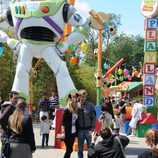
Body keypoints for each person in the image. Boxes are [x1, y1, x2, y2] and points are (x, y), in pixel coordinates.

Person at [78, 89, 96, 158]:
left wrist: (92, 129)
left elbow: (93, 118)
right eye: (82, 97)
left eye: (85, 97)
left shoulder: (90, 105)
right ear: (79, 97)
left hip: (89, 130)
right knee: (80, 150)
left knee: (90, 149)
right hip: (80, 131)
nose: (84, 98)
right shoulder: (76, 105)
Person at [61, 93, 79, 158]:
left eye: (75, 102)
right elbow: (62, 122)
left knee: (69, 149)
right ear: (70, 101)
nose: (74, 103)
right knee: (70, 149)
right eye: (72, 101)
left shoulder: (77, 110)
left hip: (73, 133)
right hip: (67, 132)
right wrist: (63, 132)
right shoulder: (66, 110)